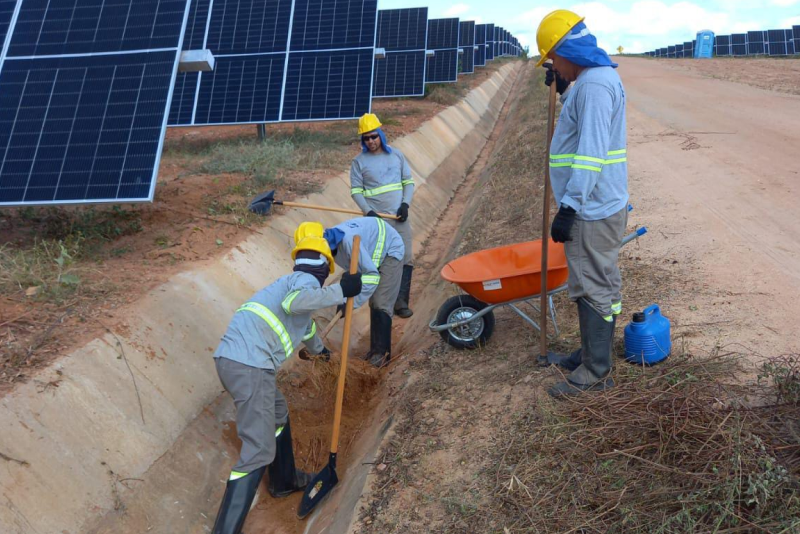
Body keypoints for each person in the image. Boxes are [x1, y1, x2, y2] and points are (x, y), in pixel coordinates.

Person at [211, 222, 362, 534]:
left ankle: (284, 480)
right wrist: (341, 290)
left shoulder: (292, 286)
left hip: (243, 364)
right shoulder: (302, 282)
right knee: (259, 449)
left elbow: (306, 329)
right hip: (248, 366)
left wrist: (321, 353)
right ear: (324, 265)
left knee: (279, 413)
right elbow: (297, 303)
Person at [533, 10, 629, 398]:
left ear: (565, 50)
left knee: (592, 285)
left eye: (553, 59)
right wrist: (564, 88)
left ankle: (596, 371)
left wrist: (569, 206)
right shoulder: (593, 80)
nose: (553, 66)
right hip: (599, 202)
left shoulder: (593, 87)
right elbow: (587, 130)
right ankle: (594, 351)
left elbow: (590, 153)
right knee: (600, 281)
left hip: (590, 207)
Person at [350, 113, 416, 319]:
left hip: (399, 219)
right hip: (376, 222)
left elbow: (408, 182)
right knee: (379, 261)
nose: (370, 141)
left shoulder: (396, 155)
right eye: (366, 138)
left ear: (381, 135)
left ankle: (401, 301)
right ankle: (381, 305)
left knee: (406, 258)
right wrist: (368, 212)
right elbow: (356, 191)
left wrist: (405, 205)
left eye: (373, 136)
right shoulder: (359, 162)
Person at [318, 216, 404, 367]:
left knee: (380, 302)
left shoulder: (349, 243)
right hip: (371, 250)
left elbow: (371, 276)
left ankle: (381, 354)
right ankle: (374, 350)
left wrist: (351, 303)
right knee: (374, 302)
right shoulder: (330, 240)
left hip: (390, 249)